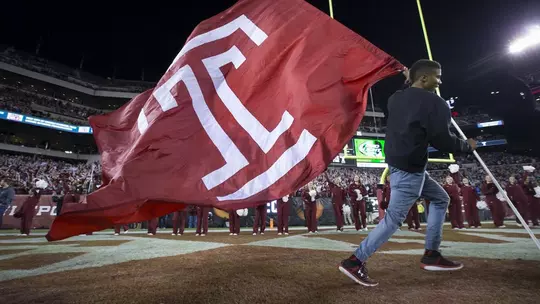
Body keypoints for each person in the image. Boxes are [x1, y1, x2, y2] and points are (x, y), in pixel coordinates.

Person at [338, 60, 476, 287]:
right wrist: (466, 146)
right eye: (437, 77)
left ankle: (432, 253)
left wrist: (407, 80)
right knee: (392, 220)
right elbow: (442, 141)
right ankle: (355, 261)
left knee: (441, 198)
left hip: (402, 166)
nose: (440, 81)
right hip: (410, 170)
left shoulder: (395, 99)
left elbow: (407, 98)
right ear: (423, 78)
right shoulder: (436, 103)